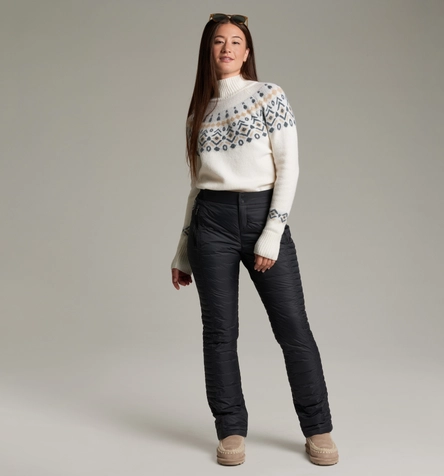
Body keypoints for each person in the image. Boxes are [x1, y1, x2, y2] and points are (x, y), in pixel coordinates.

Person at [170, 13, 338, 466]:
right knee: (219, 333)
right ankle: (230, 430)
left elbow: (289, 167)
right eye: (218, 41)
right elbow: (197, 186)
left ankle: (318, 427)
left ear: (246, 52)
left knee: (293, 328)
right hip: (210, 224)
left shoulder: (269, 95)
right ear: (208, 51)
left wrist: (271, 234)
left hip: (263, 214)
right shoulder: (198, 113)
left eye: (235, 41)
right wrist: (183, 251)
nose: (226, 48)